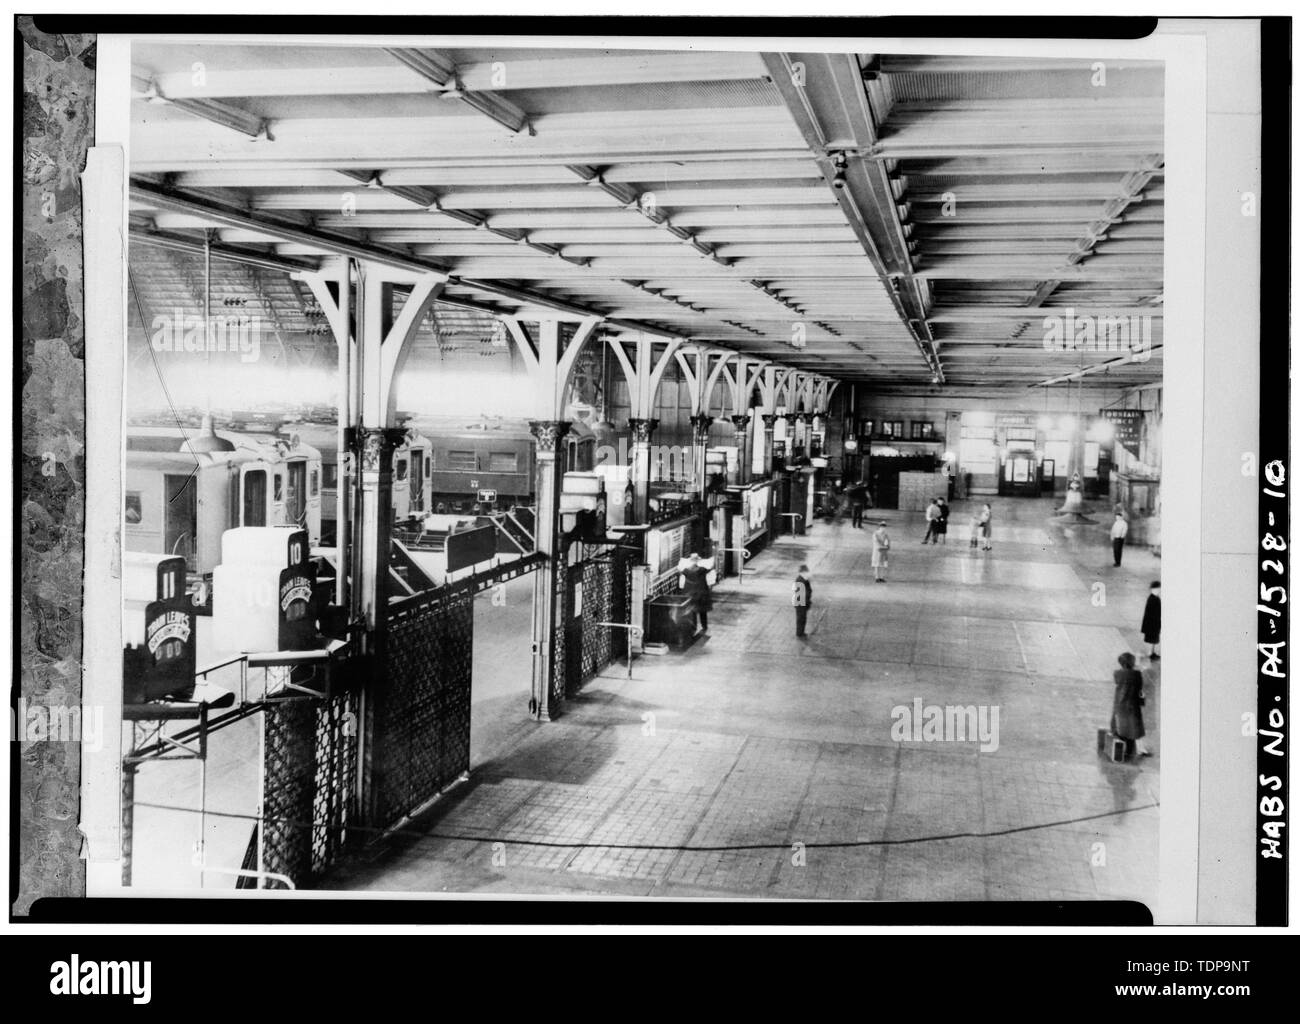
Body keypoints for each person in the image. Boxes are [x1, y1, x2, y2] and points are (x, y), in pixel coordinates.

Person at [1111, 651, 1151, 757]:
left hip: (1120, 703)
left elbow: (1117, 682)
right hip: (1132, 705)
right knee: (1135, 728)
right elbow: (1140, 686)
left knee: (1122, 726)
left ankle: (1121, 749)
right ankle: (1135, 750)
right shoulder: (1137, 675)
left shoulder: (1117, 673)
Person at [679, 552, 713, 635]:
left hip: (690, 594)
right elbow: (710, 568)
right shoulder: (702, 570)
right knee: (703, 611)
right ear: (698, 561)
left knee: (693, 612)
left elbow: (680, 570)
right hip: (701, 594)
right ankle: (704, 626)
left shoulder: (686, 571)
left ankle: (693, 628)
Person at [1142, 581, 1161, 660]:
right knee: (1151, 639)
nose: (1158, 590)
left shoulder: (1154, 598)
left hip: (1153, 624)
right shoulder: (1153, 599)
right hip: (1152, 624)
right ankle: (1151, 654)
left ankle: (1152, 653)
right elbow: (1152, 613)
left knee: (1153, 640)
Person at [792, 564, 813, 638]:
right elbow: (802, 594)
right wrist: (806, 603)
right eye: (806, 571)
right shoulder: (800, 580)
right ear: (803, 572)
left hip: (802, 603)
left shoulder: (803, 579)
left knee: (802, 618)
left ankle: (801, 632)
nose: (807, 573)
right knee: (801, 618)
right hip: (800, 603)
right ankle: (800, 633)